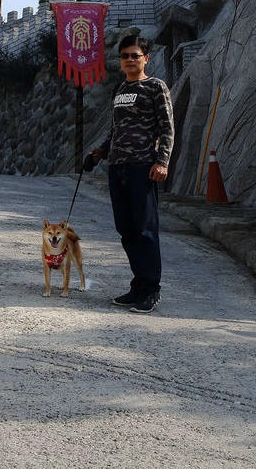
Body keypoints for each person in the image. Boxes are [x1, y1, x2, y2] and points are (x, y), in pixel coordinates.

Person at [85, 34, 174, 314]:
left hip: (142, 166)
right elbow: (115, 129)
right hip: (118, 167)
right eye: (125, 56)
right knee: (126, 229)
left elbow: (167, 128)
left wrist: (162, 161)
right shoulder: (120, 89)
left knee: (145, 230)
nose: (130, 60)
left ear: (146, 58)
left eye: (135, 55)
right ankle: (138, 286)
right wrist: (100, 152)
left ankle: (151, 289)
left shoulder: (155, 87)